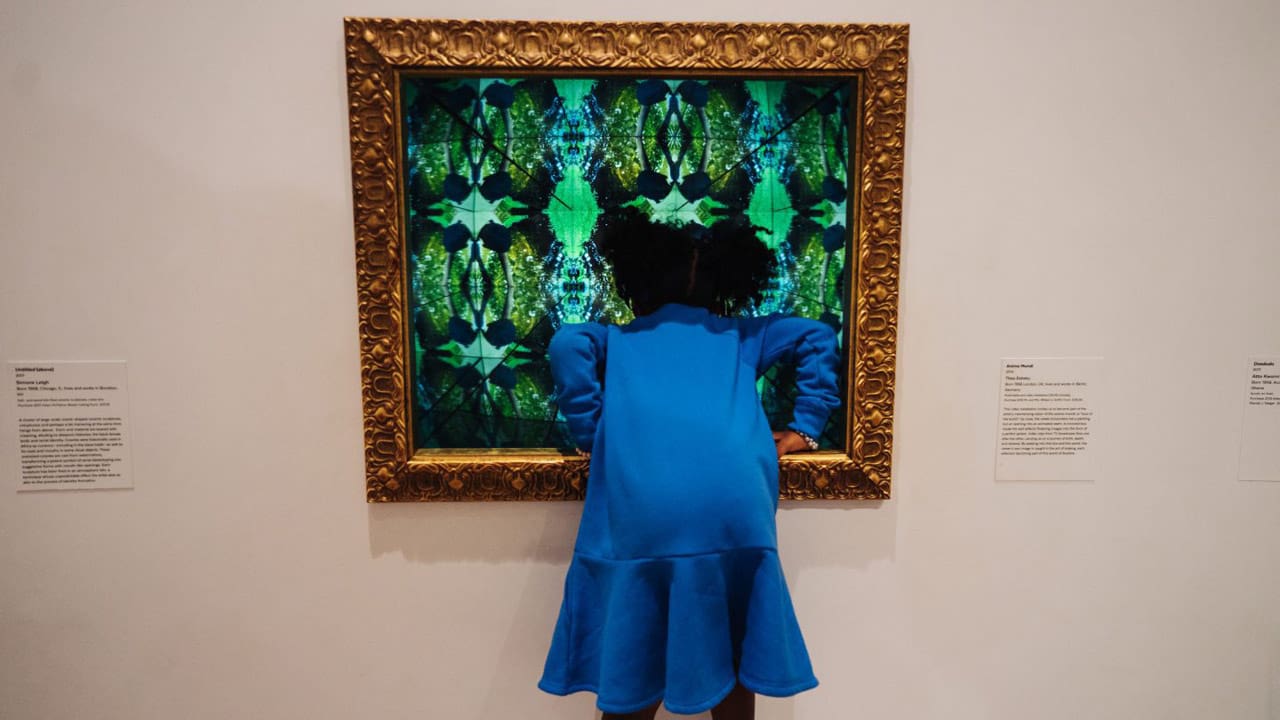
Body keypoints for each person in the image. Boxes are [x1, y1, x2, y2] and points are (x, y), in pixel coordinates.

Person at [537, 207, 842, 719]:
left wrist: (594, 437)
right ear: (722, 280)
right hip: (735, 517)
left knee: (634, 663)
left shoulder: (619, 340)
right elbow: (816, 335)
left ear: (637, 280)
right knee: (735, 645)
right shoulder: (741, 337)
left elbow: (567, 343)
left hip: (644, 520)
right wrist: (804, 429)